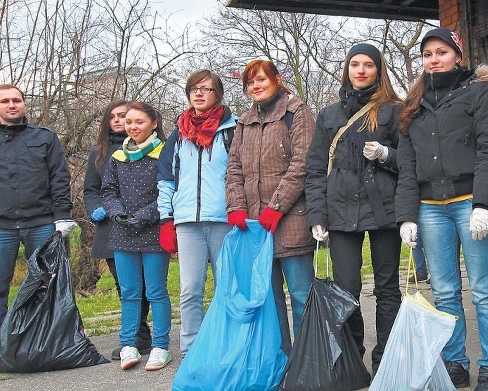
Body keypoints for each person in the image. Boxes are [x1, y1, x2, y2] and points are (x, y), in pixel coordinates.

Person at [395, 27, 488, 390]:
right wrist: (406, 216)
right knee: (444, 291)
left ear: (457, 55)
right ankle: (455, 362)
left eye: (441, 52)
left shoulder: (478, 93)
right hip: (430, 208)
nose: (434, 59)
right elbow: (407, 166)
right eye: (428, 54)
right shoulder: (413, 105)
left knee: (484, 288)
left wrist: (483, 203)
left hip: (469, 202)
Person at [0, 84, 76, 375]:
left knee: (50, 287)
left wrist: (62, 215)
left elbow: (59, 177)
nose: (12, 105)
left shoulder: (44, 138)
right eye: (5, 101)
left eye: (17, 100)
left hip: (41, 223)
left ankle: (52, 344)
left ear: (24, 105)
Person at [305, 43, 402, 372]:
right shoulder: (329, 114)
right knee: (347, 290)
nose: (361, 70)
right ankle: (351, 362)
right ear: (347, 69)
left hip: (383, 211)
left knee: (387, 288)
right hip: (340, 213)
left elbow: (410, 164)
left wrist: (386, 155)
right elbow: (316, 169)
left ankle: (385, 360)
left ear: (379, 70)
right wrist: (317, 215)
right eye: (355, 64)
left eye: (368, 65)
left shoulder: (393, 110)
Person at [226, 59, 315, 353]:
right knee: (269, 297)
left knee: (302, 295)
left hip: (291, 221)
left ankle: (305, 362)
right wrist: (236, 207)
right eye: (251, 82)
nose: (256, 86)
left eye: (262, 79)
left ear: (277, 79)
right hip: (256, 227)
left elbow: (303, 163)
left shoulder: (296, 113)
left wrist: (277, 206)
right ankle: (281, 361)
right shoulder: (244, 122)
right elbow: (234, 169)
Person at [157, 69, 236, 355]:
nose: (199, 94)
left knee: (226, 287)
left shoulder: (232, 130)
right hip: (187, 222)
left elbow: (240, 174)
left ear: (218, 94)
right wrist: (167, 220)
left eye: (206, 88)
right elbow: (166, 179)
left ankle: (227, 344)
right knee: (190, 289)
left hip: (224, 221)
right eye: (193, 89)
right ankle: (191, 350)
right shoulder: (179, 133)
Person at [101, 101, 173, 371]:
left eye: (139, 122)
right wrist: (116, 212)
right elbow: (107, 190)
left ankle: (161, 346)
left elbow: (169, 191)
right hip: (122, 234)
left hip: (153, 232)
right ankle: (128, 344)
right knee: (130, 292)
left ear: (153, 124)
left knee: (156, 291)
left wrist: (144, 215)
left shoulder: (164, 153)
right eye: (129, 122)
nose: (132, 126)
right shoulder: (118, 156)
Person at [84, 99, 152, 360]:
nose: (117, 120)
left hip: (145, 224)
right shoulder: (98, 153)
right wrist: (95, 208)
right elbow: (90, 189)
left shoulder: (150, 148)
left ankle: (142, 334)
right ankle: (135, 333)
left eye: (122, 116)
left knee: (147, 284)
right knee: (125, 285)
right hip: (111, 227)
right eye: (112, 116)